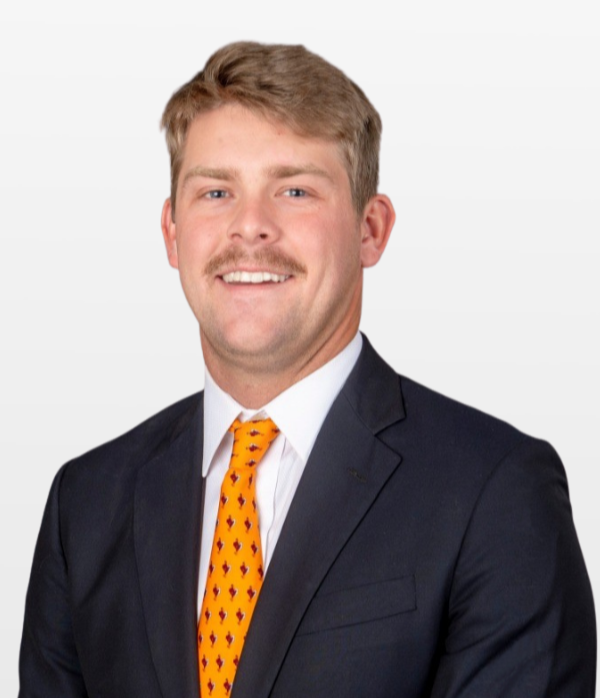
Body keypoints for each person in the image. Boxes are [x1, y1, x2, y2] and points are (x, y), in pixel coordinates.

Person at [18, 41, 596, 698]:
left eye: (294, 190)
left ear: (370, 229)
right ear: (172, 233)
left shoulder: (495, 492)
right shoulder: (87, 504)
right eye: (216, 191)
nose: (250, 227)